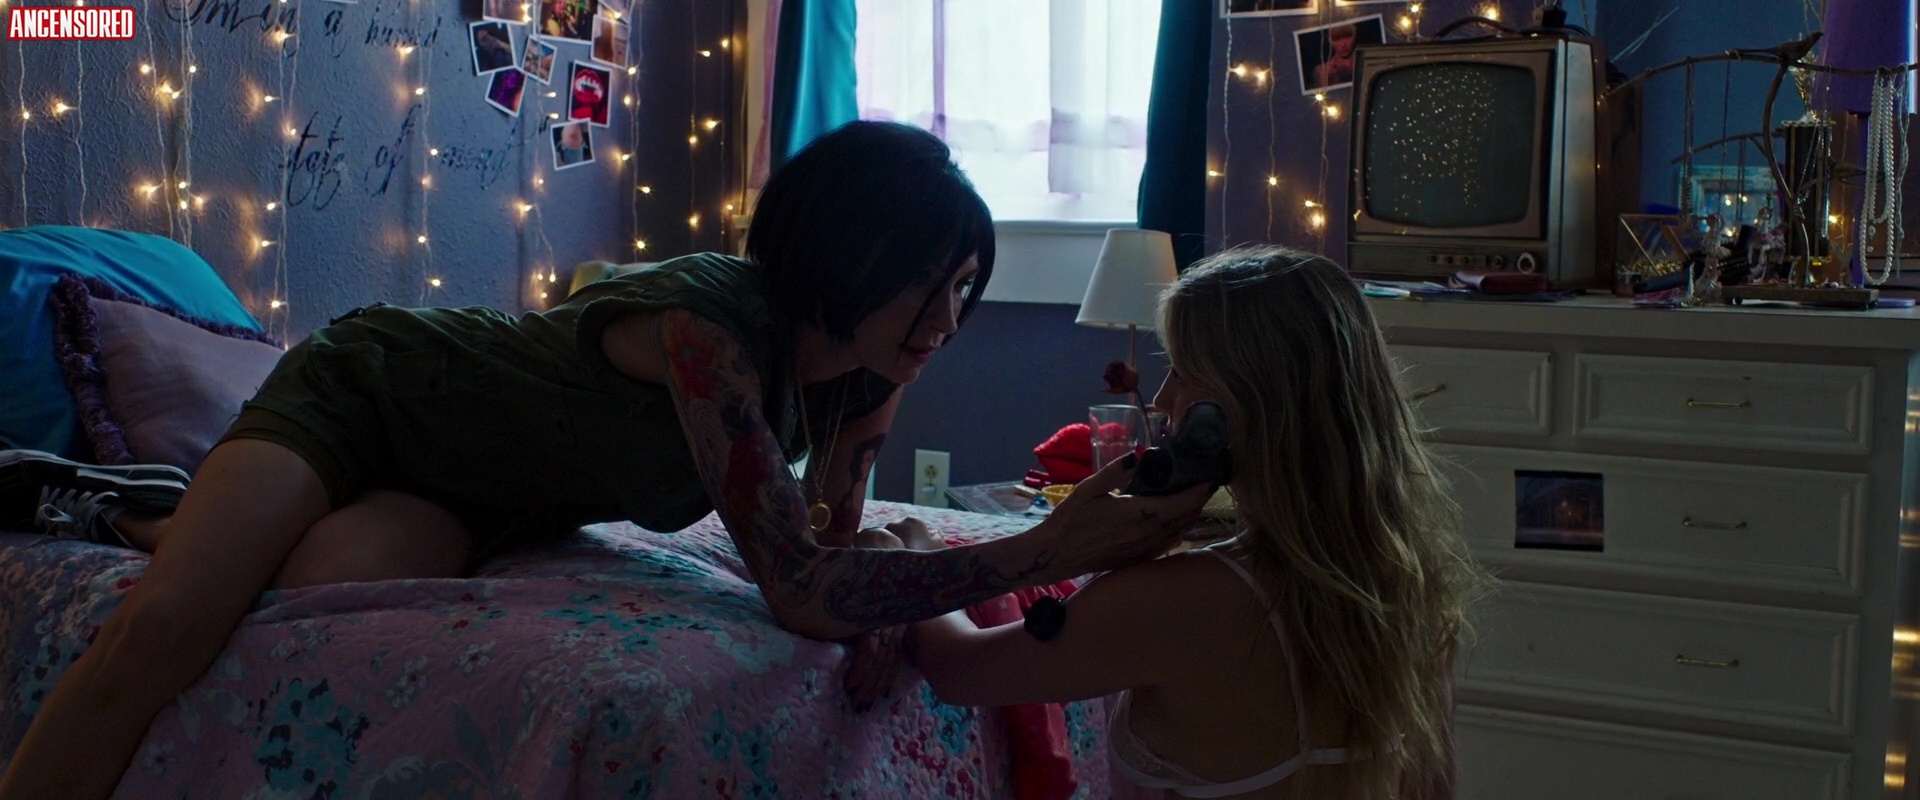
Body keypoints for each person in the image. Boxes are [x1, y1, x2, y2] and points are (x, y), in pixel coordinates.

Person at [0, 121, 1211, 800]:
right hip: (377, 399)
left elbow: (835, 551)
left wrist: (897, 558)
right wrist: (1045, 548)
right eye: (929, 284)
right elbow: (800, 586)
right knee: (165, 627)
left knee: (320, 579)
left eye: (966, 288)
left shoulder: (868, 369)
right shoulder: (708, 329)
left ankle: (135, 507)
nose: (947, 319)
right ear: (852, 253)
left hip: (491, 497)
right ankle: (106, 502)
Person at [896, 246, 1492, 799]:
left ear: (1242, 401)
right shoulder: (1407, 583)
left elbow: (960, 669)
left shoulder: (1186, 600)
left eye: (1181, 371)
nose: (1161, 399)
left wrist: (919, 551)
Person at [1313, 23, 1359, 89]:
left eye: (1347, 36)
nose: (1343, 44)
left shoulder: (1367, 63)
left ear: (1355, 34)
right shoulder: (1321, 71)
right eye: (1336, 38)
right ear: (1328, 39)